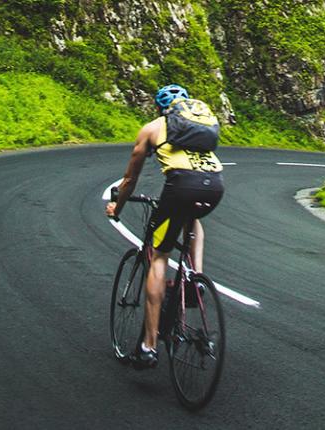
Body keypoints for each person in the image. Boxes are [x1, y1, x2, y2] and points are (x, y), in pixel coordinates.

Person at [105, 84, 224, 369]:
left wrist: (116, 208)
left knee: (159, 256)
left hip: (182, 186)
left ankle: (148, 346)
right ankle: (195, 277)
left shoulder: (152, 128)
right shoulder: (198, 129)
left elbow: (129, 180)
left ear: (160, 108)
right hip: (215, 186)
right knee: (190, 218)